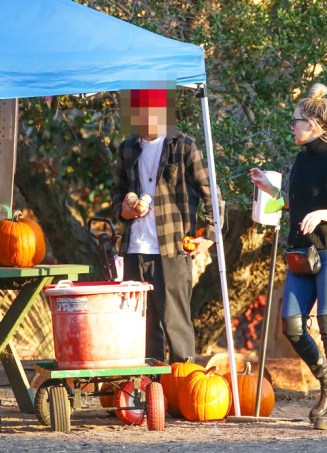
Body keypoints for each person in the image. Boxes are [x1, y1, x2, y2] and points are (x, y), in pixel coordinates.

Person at [250, 83, 327, 430]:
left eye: (296, 121)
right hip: (302, 253)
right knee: (293, 326)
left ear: (314, 123)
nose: (292, 126)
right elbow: (297, 206)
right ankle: (326, 383)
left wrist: (323, 214)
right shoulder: (301, 160)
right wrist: (271, 192)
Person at [112, 88, 220, 363]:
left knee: (175, 324)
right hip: (134, 248)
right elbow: (116, 194)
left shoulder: (183, 146)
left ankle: (183, 392)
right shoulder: (127, 148)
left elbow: (212, 194)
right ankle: (150, 394)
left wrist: (208, 235)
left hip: (171, 248)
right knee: (142, 326)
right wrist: (123, 211)